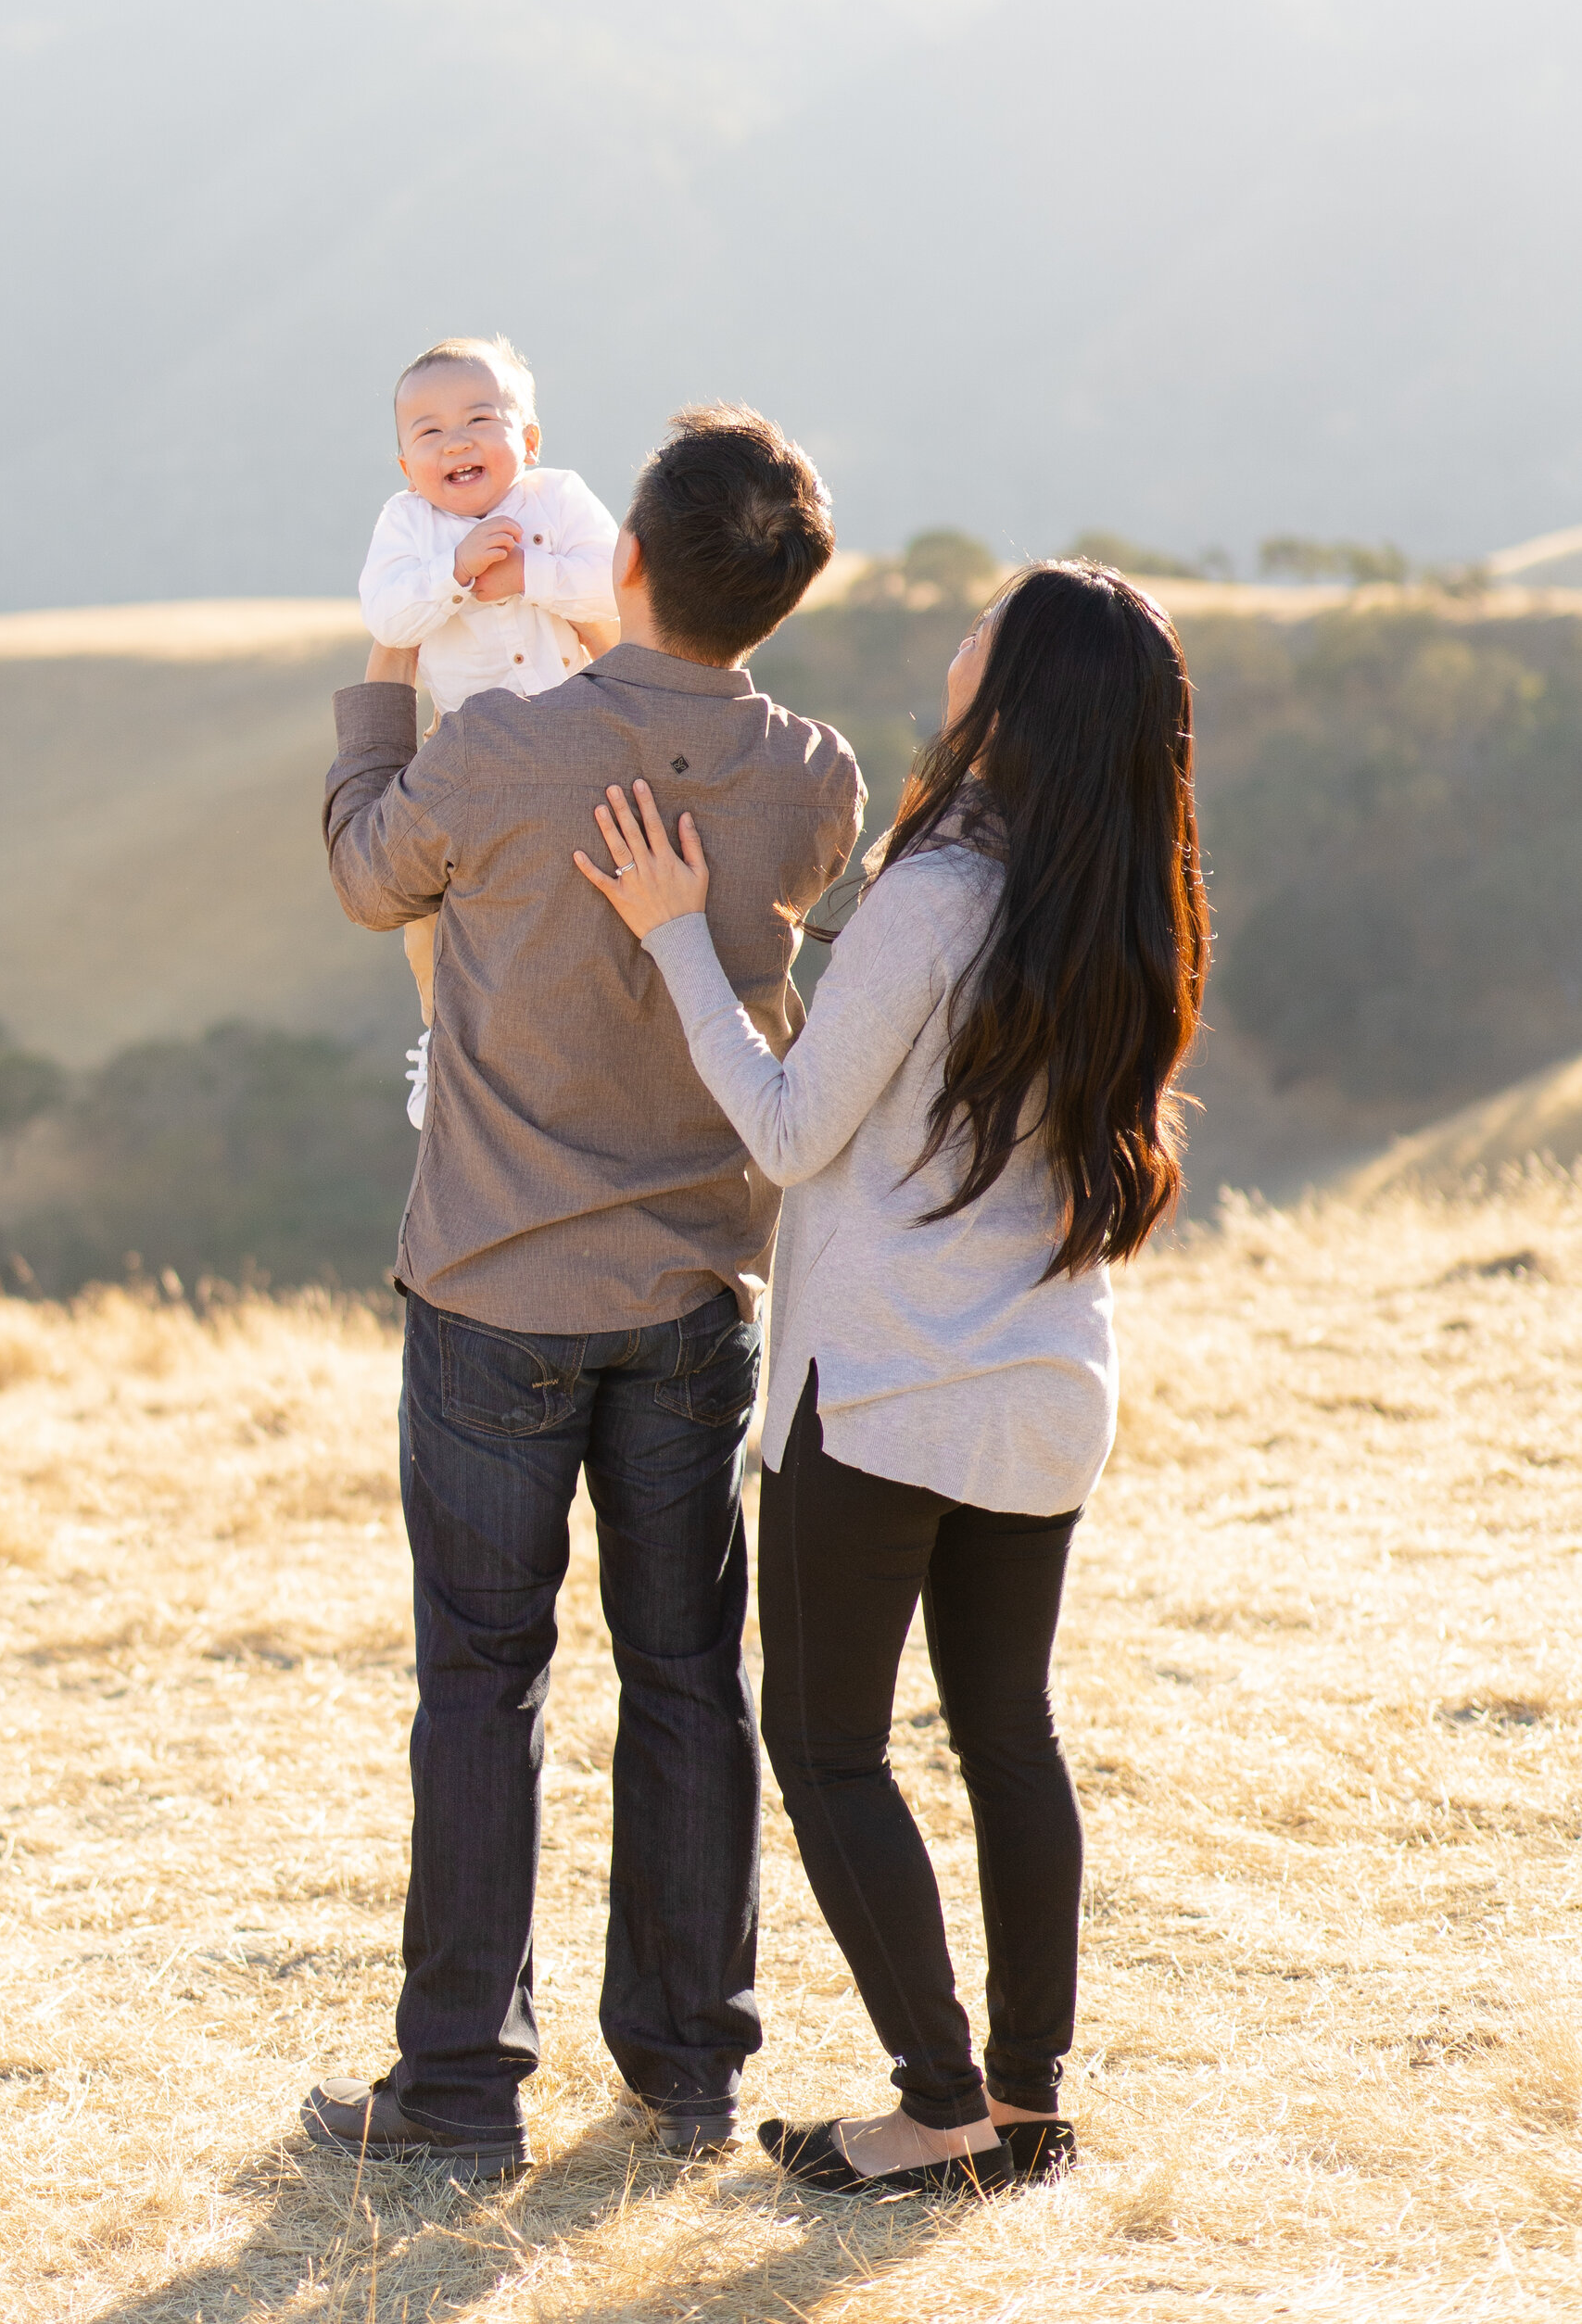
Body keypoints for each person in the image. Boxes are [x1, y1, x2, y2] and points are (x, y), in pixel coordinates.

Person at [577, 561, 1206, 2196]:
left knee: (831, 1744)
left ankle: (937, 2109)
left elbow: (790, 1131)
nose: (963, 637)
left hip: (879, 1391)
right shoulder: (1130, 900)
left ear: (1026, 691)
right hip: (1043, 1386)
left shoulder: (939, 895)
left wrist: (671, 944)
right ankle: (1021, 2100)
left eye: (990, 626)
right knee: (1010, 1731)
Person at [307, 405, 863, 2177]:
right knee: (692, 1675)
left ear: (616, 558)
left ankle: (461, 2094)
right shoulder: (818, 779)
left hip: (491, 1283)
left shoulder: (508, 754)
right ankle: (687, 2076)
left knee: (481, 1680)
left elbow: (359, 868)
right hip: (700, 1291)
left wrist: (384, 668)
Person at [358, 335, 621, 1123]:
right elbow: (388, 614)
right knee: (435, 912)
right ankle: (445, 1042)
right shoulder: (407, 526)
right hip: (466, 756)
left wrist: (527, 576)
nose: (456, 441)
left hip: (580, 738)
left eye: (480, 418)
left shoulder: (559, 499)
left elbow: (618, 584)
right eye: (428, 432)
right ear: (406, 464)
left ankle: (591, 1041)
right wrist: (459, 573)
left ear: (529, 441)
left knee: (584, 897)